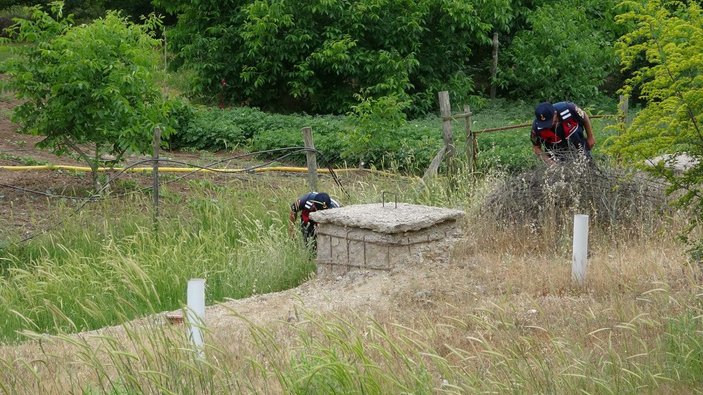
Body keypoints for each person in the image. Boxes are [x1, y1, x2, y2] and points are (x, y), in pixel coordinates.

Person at [531, 101, 596, 165]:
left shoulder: (569, 108)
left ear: (555, 114)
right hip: (557, 153)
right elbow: (536, 147)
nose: (548, 125)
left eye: (549, 121)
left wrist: (590, 137)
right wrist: (550, 162)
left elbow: (584, 116)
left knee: (589, 166)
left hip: (578, 144)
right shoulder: (536, 128)